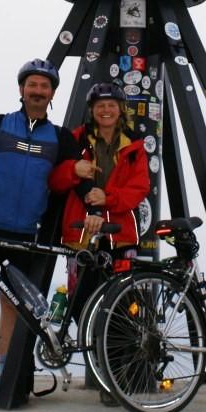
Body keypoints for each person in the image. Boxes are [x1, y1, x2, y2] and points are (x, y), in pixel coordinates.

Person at [0, 58, 92, 406]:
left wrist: (92, 206)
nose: (37, 91)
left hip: (26, 236)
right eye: (32, 85)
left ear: (52, 95)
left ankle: (4, 379)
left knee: (12, 309)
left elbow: (74, 181)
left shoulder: (59, 137)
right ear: (21, 89)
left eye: (44, 87)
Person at [49, 80, 150, 321]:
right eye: (100, 105)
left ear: (121, 108)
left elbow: (140, 187)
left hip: (120, 235)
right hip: (81, 232)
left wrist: (108, 198)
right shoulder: (75, 140)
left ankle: (117, 357)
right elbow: (55, 181)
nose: (106, 110)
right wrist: (73, 169)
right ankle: (90, 354)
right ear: (91, 109)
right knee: (81, 303)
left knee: (125, 305)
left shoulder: (134, 145)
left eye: (111, 105)